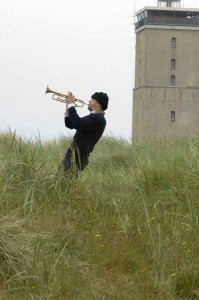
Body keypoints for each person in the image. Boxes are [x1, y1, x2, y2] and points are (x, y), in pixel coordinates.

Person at [61, 90, 109, 177]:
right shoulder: (92, 117)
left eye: (92, 99)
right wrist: (68, 106)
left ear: (98, 105)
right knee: (63, 182)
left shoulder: (98, 119)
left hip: (78, 156)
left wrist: (71, 105)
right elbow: (70, 125)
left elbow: (77, 123)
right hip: (74, 154)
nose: (89, 101)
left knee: (63, 181)